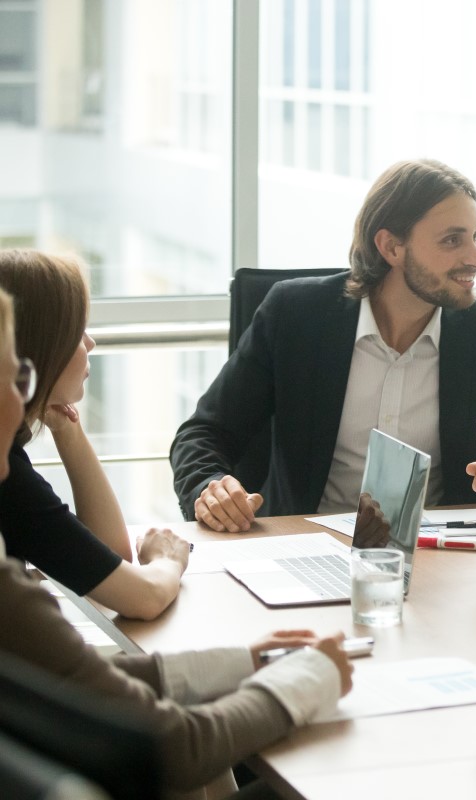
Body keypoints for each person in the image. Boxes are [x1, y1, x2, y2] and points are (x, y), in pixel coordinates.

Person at [0, 285, 353, 797]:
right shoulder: (9, 587)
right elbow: (174, 749)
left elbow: (71, 684)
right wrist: (308, 679)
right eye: (16, 378)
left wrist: (242, 662)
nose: (21, 399)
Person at [171, 159, 476, 532]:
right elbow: (203, 434)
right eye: (452, 240)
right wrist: (211, 489)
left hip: (444, 560)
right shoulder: (294, 315)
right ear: (392, 247)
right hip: (306, 546)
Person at [0, 250, 189, 620]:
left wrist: (67, 429)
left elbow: (108, 559)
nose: (90, 344)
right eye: (76, 333)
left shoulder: (10, 457)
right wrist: (169, 559)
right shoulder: (9, 479)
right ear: (38, 350)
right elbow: (144, 597)